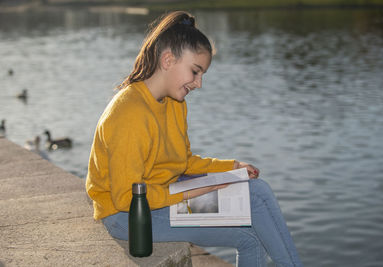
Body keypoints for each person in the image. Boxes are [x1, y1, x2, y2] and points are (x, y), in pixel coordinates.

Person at [86, 11, 303, 267]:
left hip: (163, 195)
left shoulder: (174, 102)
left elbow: (183, 162)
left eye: (202, 75)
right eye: (195, 71)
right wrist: (195, 190)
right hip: (127, 217)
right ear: (168, 60)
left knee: (253, 225)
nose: (199, 83)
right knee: (255, 196)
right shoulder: (129, 113)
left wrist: (230, 167)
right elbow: (127, 198)